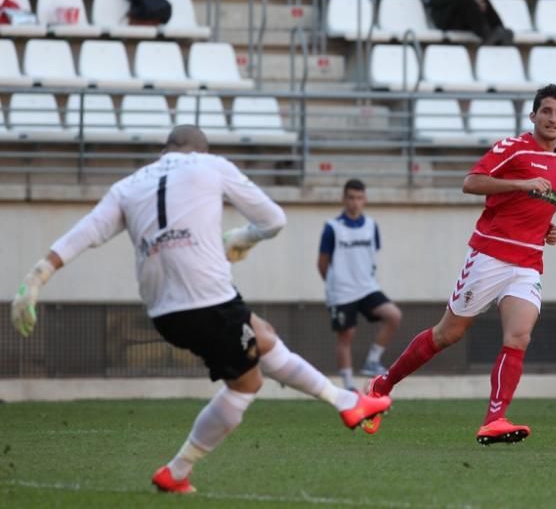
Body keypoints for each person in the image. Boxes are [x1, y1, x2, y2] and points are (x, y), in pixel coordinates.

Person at [9, 126, 391, 494]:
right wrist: (244, 237)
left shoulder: (128, 185)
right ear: (200, 151)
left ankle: (346, 401)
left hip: (163, 313)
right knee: (247, 383)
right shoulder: (211, 166)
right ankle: (177, 471)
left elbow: (87, 231)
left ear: (165, 150)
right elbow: (274, 219)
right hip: (209, 301)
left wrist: (38, 276)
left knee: (262, 336)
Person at [366, 84, 556, 445]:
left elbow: (536, 205)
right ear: (533, 115)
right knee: (448, 334)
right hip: (491, 255)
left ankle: (494, 419)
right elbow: (471, 183)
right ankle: (381, 386)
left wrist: (546, 228)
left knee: (519, 336)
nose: (553, 118)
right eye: (547, 111)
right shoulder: (513, 148)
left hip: (528, 262)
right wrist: (521, 184)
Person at [318, 178, 403, 391]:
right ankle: (348, 386)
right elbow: (322, 263)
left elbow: (372, 255)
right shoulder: (332, 228)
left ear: (364, 199)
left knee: (393, 315)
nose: (355, 202)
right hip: (342, 292)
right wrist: (335, 283)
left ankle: (372, 361)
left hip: (367, 287)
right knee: (346, 336)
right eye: (351, 198)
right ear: (343, 199)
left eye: (359, 198)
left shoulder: (371, 226)